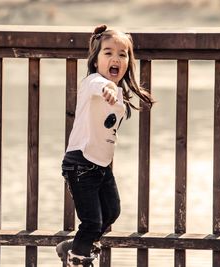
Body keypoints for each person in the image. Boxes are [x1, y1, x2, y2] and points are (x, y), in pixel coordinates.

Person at [56, 24, 155, 267]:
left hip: (101, 166)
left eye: (122, 54)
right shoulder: (93, 82)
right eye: (108, 52)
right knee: (91, 222)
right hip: (80, 163)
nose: (115, 58)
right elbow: (101, 86)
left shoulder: (119, 92)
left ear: (128, 62)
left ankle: (75, 245)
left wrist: (115, 90)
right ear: (95, 59)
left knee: (111, 212)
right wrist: (108, 87)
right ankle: (78, 259)